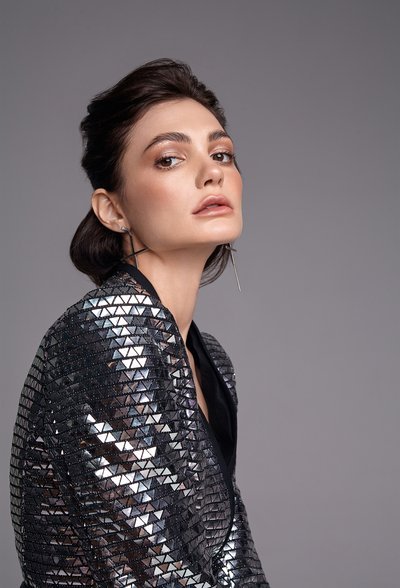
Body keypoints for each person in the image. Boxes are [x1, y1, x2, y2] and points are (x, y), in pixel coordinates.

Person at [10, 58, 269, 588]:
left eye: (221, 153)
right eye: (170, 159)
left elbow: (230, 553)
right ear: (113, 210)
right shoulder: (109, 332)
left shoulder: (209, 358)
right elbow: (151, 570)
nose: (212, 172)